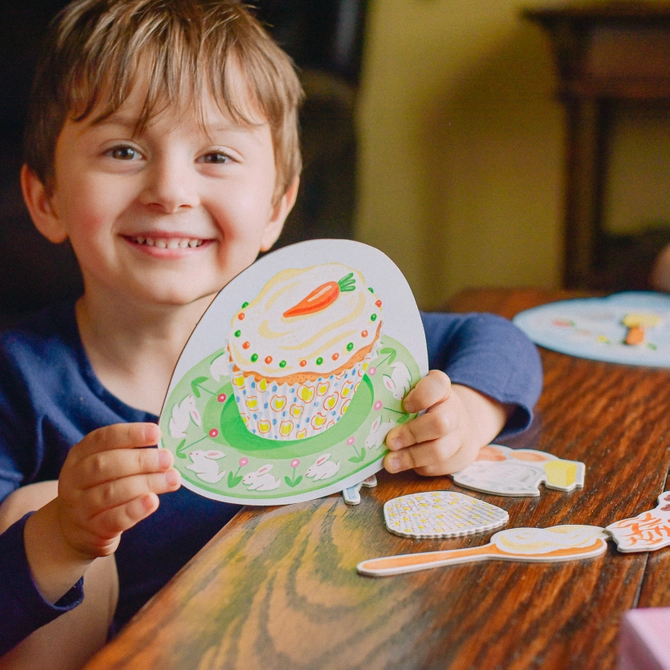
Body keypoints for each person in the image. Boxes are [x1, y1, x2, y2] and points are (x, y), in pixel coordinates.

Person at [0, 0, 542, 665]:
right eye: (123, 150)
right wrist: (59, 537)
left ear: (277, 207)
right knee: (37, 503)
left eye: (216, 156)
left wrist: (465, 412)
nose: (170, 190)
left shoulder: (310, 337)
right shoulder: (18, 382)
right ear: (44, 199)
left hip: (324, 628)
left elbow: (495, 340)